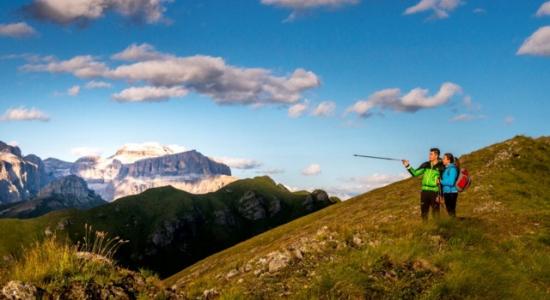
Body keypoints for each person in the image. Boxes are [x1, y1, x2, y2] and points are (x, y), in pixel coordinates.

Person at [402, 148, 445, 221]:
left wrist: (441, 196)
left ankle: (438, 227)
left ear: (436, 155)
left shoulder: (441, 167)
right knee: (424, 212)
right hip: (424, 192)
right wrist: (407, 166)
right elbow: (415, 174)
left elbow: (442, 182)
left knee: (436, 212)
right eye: (429, 154)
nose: (429, 156)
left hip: (435, 192)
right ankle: (425, 227)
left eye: (431, 154)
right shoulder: (426, 164)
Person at [441, 153, 459, 217]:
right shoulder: (447, 169)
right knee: (449, 210)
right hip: (447, 192)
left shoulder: (452, 169)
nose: (442, 160)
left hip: (452, 192)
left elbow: (451, 182)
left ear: (448, 160)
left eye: (444, 158)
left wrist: (441, 181)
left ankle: (454, 224)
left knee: (451, 210)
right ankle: (453, 224)